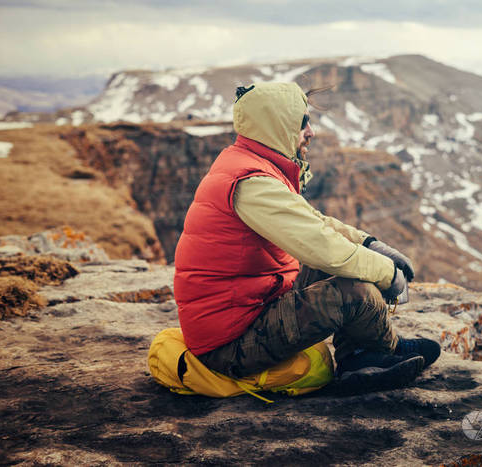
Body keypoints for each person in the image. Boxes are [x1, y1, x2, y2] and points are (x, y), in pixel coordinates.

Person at [173, 82, 440, 394]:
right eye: (302, 123)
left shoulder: (249, 165)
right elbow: (324, 248)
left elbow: (315, 221)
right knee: (353, 287)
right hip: (228, 346)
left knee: (348, 269)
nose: (310, 132)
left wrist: (369, 244)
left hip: (246, 310)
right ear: (276, 127)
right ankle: (379, 351)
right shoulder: (252, 183)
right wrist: (387, 274)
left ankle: (364, 356)